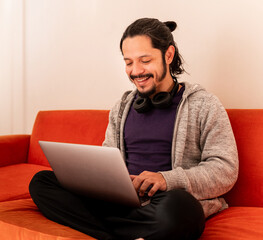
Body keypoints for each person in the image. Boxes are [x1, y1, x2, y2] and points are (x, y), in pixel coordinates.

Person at [29, 18, 238, 240]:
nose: (136, 71)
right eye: (128, 62)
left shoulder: (204, 105)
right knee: (42, 182)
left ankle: (108, 230)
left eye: (144, 60)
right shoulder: (122, 107)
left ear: (168, 55)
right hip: (120, 203)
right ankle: (128, 234)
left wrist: (166, 179)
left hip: (165, 202)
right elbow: (108, 157)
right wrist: (103, 180)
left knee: (183, 210)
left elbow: (225, 169)